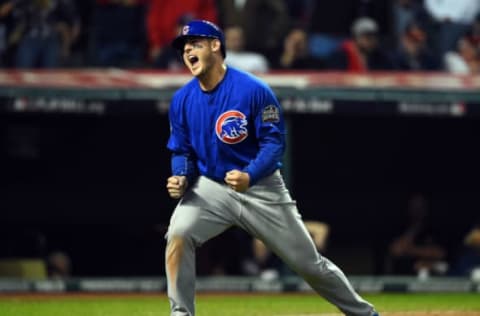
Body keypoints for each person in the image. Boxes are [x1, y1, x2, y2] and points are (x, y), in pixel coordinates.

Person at [164, 19, 379, 316]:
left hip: (261, 187)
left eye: (195, 45)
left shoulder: (253, 90)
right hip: (212, 187)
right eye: (184, 47)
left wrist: (250, 174)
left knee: (310, 265)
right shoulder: (182, 100)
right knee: (179, 232)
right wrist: (181, 176)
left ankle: (364, 314)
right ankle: (181, 313)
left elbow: (273, 144)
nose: (188, 51)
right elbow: (182, 150)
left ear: (216, 46)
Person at [326, 17, 393, 72]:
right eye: (367, 37)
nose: (371, 41)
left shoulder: (382, 58)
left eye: (374, 36)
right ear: (355, 38)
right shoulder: (340, 56)